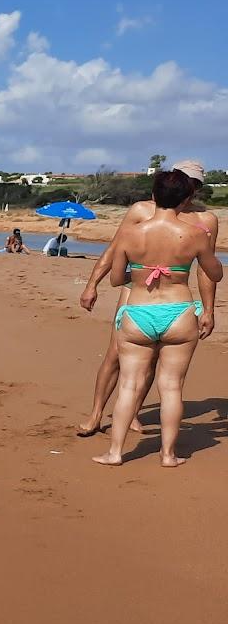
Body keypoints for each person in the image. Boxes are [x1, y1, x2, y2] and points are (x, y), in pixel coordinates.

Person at [75, 160, 221, 436]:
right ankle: (96, 414)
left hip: (176, 295)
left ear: (197, 188)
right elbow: (114, 249)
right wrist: (92, 284)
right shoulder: (142, 210)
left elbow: (206, 270)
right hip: (136, 289)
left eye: (194, 183)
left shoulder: (206, 220)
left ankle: (131, 413)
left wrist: (209, 309)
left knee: (154, 357)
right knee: (116, 353)